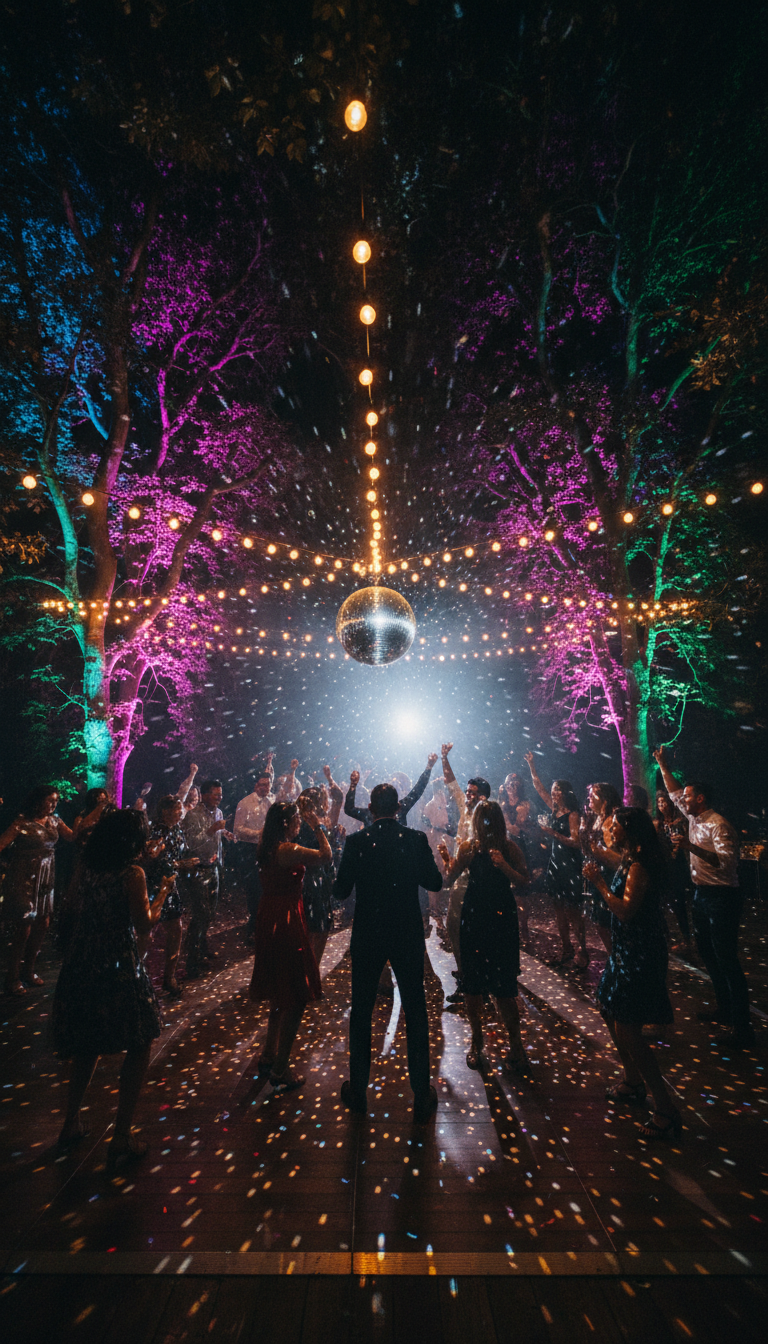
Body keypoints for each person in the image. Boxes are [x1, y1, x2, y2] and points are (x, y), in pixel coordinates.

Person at [51, 809, 174, 1172]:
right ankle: (121, 1134)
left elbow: (72, 905)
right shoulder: (131, 874)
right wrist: (163, 891)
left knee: (87, 1041)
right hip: (118, 960)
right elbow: (144, 922)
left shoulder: (87, 867)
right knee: (139, 1039)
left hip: (84, 959)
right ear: (130, 842)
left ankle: (71, 1121)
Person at [333, 782, 443, 1123]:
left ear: (370, 807)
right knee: (416, 1010)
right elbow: (435, 883)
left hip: (368, 933)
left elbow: (340, 892)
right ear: (397, 808)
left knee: (362, 1012)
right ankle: (421, 1093)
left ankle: (359, 1090)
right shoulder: (414, 840)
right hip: (406, 933)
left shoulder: (357, 842)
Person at [584, 808, 680, 1140]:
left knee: (629, 1030)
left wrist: (597, 883)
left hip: (640, 953)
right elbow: (608, 857)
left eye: (615, 826)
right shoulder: (628, 858)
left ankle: (666, 1108)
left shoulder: (639, 866)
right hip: (626, 952)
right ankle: (632, 1081)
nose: (610, 829)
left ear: (629, 832)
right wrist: (589, 845)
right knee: (607, 1008)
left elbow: (625, 911)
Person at [654, 746, 753, 1049]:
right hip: (702, 894)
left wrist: (690, 848)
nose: (680, 801)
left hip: (723, 896)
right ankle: (724, 1009)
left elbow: (726, 864)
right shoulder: (694, 818)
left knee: (727, 959)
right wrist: (661, 763)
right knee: (709, 954)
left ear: (700, 799)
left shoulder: (718, 824)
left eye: (687, 797)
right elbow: (672, 792)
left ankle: (743, 1027)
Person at [438, 801, 529, 1076]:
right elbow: (449, 878)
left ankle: (515, 1044)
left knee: (504, 986)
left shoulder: (510, 848)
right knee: (473, 984)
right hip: (475, 915)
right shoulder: (468, 847)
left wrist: (504, 866)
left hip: (501, 918)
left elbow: (524, 881)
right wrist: (445, 857)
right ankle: (477, 1042)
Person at [249, 800, 332, 1089]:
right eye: (297, 819)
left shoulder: (267, 844)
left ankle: (269, 1054)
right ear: (287, 823)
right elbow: (325, 855)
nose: (299, 824)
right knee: (296, 995)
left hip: (269, 912)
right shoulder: (288, 850)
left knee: (277, 989)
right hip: (285, 918)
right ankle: (280, 1068)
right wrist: (318, 826)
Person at [0, 785, 73, 995]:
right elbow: (2, 844)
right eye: (50, 800)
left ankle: (28, 971)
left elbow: (72, 836)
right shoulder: (22, 822)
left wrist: (93, 816)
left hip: (46, 879)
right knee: (24, 927)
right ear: (38, 800)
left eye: (56, 800)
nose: (54, 804)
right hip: (24, 877)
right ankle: (11, 977)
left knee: (43, 922)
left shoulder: (55, 820)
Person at [524, 752, 587, 968]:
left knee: (572, 910)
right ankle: (566, 948)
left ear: (566, 792)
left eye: (558, 789)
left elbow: (576, 842)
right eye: (554, 789)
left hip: (570, 864)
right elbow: (538, 787)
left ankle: (583, 951)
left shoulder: (573, 815)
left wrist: (553, 834)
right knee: (558, 907)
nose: (554, 791)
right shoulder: (553, 808)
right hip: (555, 862)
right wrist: (532, 765)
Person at [440, 743, 491, 1005]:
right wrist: (444, 758)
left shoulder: (488, 816)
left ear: (483, 796)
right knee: (453, 927)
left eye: (472, 793)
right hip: (460, 877)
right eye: (468, 792)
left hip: (478, 879)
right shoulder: (464, 809)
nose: (467, 795)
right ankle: (466, 978)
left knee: (472, 931)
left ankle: (476, 982)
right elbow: (451, 783)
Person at [146, 795, 200, 996]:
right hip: (154, 886)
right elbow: (153, 861)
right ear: (165, 811)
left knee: (176, 929)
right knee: (147, 930)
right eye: (177, 809)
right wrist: (180, 865)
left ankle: (169, 977)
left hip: (171, 885)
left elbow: (179, 854)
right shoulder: (155, 832)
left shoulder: (177, 829)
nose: (181, 812)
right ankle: (141, 976)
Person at [181, 779, 232, 979]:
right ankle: (192, 960)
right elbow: (192, 844)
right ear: (204, 795)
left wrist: (225, 834)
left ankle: (201, 948)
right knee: (200, 913)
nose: (219, 797)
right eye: (215, 794)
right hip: (198, 869)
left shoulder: (218, 813)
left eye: (220, 794)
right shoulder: (193, 815)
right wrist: (212, 830)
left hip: (213, 867)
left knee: (210, 912)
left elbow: (215, 839)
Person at [296, 786, 344, 968]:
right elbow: (324, 852)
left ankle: (308, 969)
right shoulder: (310, 824)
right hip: (313, 876)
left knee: (315, 924)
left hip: (318, 876)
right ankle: (310, 970)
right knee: (317, 925)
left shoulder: (307, 821)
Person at [233, 757, 275, 944]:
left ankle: (266, 925)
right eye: (262, 784)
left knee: (268, 888)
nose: (265, 788)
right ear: (255, 785)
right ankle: (253, 926)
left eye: (268, 784)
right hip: (250, 850)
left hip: (270, 849)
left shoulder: (273, 800)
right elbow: (237, 830)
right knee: (254, 889)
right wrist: (257, 833)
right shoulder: (245, 803)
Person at [581, 782, 622, 954]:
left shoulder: (611, 821)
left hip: (610, 879)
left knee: (608, 923)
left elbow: (619, 860)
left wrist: (597, 850)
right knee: (600, 922)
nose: (589, 797)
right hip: (599, 877)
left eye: (593, 795)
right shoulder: (597, 818)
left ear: (604, 800)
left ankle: (619, 960)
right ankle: (616, 959)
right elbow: (587, 851)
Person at [344, 753, 438, 829]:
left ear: (371, 806)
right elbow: (418, 790)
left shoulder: (369, 814)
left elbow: (349, 809)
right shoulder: (399, 811)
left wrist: (353, 786)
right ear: (397, 804)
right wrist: (428, 768)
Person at [499, 772, 536, 948]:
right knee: (505, 890)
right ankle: (507, 927)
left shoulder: (524, 804)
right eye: (507, 784)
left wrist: (507, 819)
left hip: (520, 849)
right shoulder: (502, 804)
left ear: (519, 786)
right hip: (504, 848)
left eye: (513, 784)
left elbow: (516, 828)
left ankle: (524, 928)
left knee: (521, 892)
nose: (510, 787)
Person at [655, 791, 695, 957]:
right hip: (666, 867)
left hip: (681, 865)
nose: (662, 805)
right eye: (659, 803)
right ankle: (668, 936)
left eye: (664, 801)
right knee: (667, 902)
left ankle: (688, 937)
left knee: (681, 902)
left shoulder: (681, 822)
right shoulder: (659, 824)